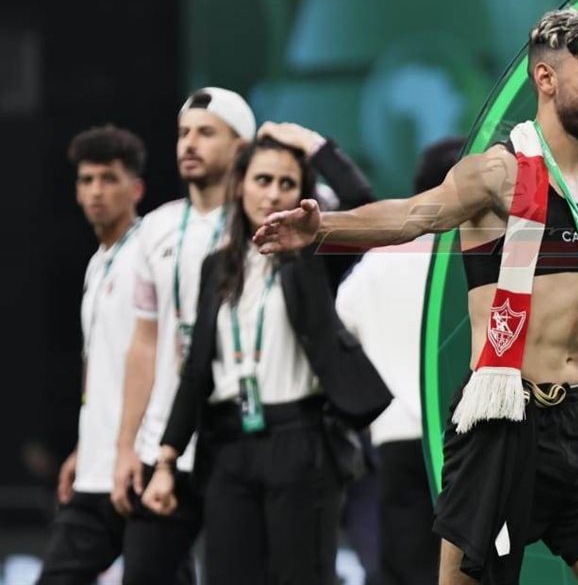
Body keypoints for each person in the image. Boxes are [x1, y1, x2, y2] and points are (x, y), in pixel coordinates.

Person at [254, 7, 578, 585]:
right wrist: (322, 230)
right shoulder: (495, 175)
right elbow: (410, 216)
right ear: (546, 79)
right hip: (502, 420)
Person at [141, 127, 391, 585]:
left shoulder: (314, 255)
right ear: (239, 185)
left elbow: (362, 202)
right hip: (228, 445)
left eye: (287, 183)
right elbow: (196, 369)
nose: (273, 193)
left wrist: (310, 142)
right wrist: (166, 459)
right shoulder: (216, 266)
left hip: (300, 439)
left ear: (302, 194)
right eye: (262, 180)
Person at [111, 87, 256, 584]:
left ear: (241, 147)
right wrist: (126, 447)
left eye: (206, 132)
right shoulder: (154, 228)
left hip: (236, 441)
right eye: (183, 133)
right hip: (163, 448)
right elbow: (145, 342)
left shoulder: (260, 223)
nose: (189, 143)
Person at [336, 136, 466, 585]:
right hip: (469, 440)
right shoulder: (478, 256)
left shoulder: (378, 262)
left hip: (397, 439)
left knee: (408, 571)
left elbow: (340, 328)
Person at [36, 126, 146, 584]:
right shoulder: (97, 264)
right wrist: (85, 446)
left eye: (108, 178)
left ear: (136, 189)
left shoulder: (149, 253)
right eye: (87, 180)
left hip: (140, 465)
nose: (96, 191)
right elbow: (101, 369)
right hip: (96, 468)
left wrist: (132, 447)